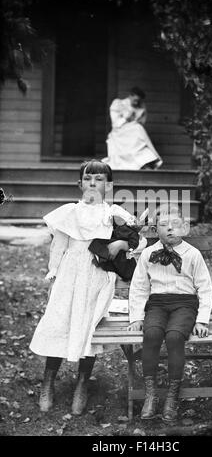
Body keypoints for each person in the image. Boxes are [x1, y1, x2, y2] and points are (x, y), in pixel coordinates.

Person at [29, 159, 137, 415]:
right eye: (88, 179)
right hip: (69, 274)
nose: (93, 183)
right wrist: (53, 275)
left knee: (88, 327)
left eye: (99, 179)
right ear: (80, 184)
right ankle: (48, 381)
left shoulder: (115, 214)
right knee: (59, 322)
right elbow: (59, 247)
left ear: (108, 186)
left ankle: (82, 383)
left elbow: (139, 239)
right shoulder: (69, 212)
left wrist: (121, 245)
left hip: (97, 276)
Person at [128, 203, 212, 423]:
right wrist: (137, 317)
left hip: (185, 304)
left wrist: (202, 320)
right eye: (163, 225)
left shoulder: (193, 254)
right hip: (157, 303)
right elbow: (139, 287)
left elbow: (204, 288)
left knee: (175, 337)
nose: (169, 229)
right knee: (152, 334)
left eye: (175, 225)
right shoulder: (148, 254)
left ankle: (172, 396)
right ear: (156, 230)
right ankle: (151, 394)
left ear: (184, 228)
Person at [102, 86, 163, 170]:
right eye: (135, 100)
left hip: (133, 132)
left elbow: (141, 123)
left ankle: (145, 162)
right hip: (119, 132)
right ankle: (142, 162)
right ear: (130, 95)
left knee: (138, 129)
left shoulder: (140, 108)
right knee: (138, 130)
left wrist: (139, 116)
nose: (136, 103)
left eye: (138, 101)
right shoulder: (119, 104)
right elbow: (115, 125)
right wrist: (126, 118)